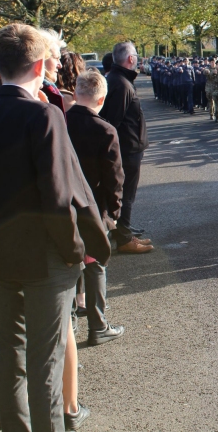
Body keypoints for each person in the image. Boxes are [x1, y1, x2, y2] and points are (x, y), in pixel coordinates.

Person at [0, 23, 110, 432]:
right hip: (46, 258)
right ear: (40, 64)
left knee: (11, 357)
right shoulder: (44, 114)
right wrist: (76, 251)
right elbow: (58, 194)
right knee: (45, 362)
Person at [66, 70, 129, 345]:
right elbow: (115, 177)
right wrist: (113, 214)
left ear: (77, 93)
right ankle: (98, 324)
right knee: (95, 264)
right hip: (93, 208)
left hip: (62, 205)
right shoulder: (105, 130)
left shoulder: (59, 122)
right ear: (101, 98)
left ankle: (70, 323)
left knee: (68, 264)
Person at [101, 41, 152, 253]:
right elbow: (113, 121)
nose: (138, 58)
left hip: (129, 147)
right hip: (127, 149)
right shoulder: (121, 83)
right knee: (126, 195)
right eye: (136, 55)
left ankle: (125, 231)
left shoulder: (118, 79)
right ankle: (124, 239)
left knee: (125, 195)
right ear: (130, 59)